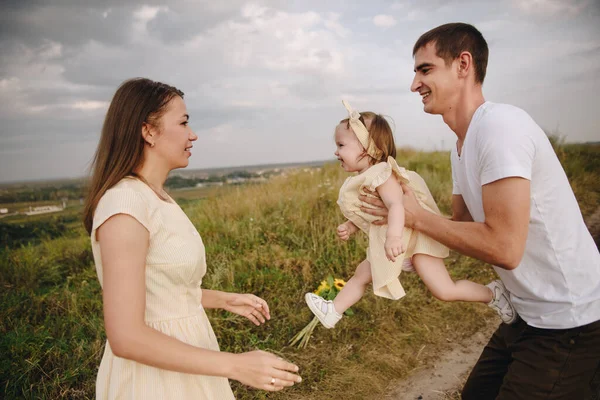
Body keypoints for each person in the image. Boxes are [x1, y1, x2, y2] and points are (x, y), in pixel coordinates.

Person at [360, 23, 600, 399]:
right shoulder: (461, 144)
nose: (414, 84)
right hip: (526, 314)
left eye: (425, 70)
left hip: (570, 320)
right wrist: (398, 221)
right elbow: (460, 230)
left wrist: (415, 217)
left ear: (462, 64)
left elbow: (504, 247)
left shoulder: (500, 128)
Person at [83, 78, 302, 399]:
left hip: (190, 362)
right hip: (153, 381)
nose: (193, 134)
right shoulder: (125, 204)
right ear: (149, 131)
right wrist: (235, 365)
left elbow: (162, 289)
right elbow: (126, 337)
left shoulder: (157, 197)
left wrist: (224, 300)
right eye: (184, 122)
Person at [304, 100, 516, 330]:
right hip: (392, 245)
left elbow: (396, 206)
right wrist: (351, 225)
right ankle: (333, 311)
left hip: (414, 240)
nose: (336, 151)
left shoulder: (383, 174)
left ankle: (491, 294)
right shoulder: (367, 177)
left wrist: (394, 237)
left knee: (444, 290)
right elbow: (374, 212)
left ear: (367, 148)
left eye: (341, 145)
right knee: (361, 275)